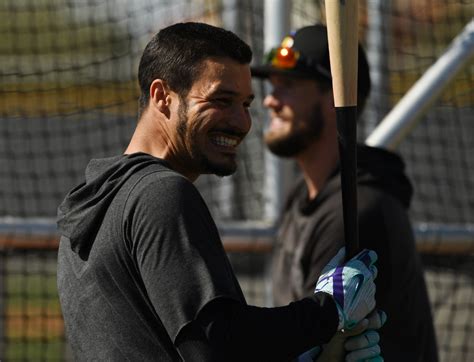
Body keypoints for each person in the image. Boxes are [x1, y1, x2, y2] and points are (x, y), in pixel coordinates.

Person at [56, 22, 383, 361]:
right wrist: (327, 312)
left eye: (245, 104)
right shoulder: (160, 194)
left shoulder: (96, 202)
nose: (241, 123)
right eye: (221, 101)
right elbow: (216, 344)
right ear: (162, 97)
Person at [252, 24, 438, 361]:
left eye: (288, 85)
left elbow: (311, 344)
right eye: (272, 86)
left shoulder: (355, 208)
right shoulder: (305, 195)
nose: (269, 100)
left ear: (335, 98)